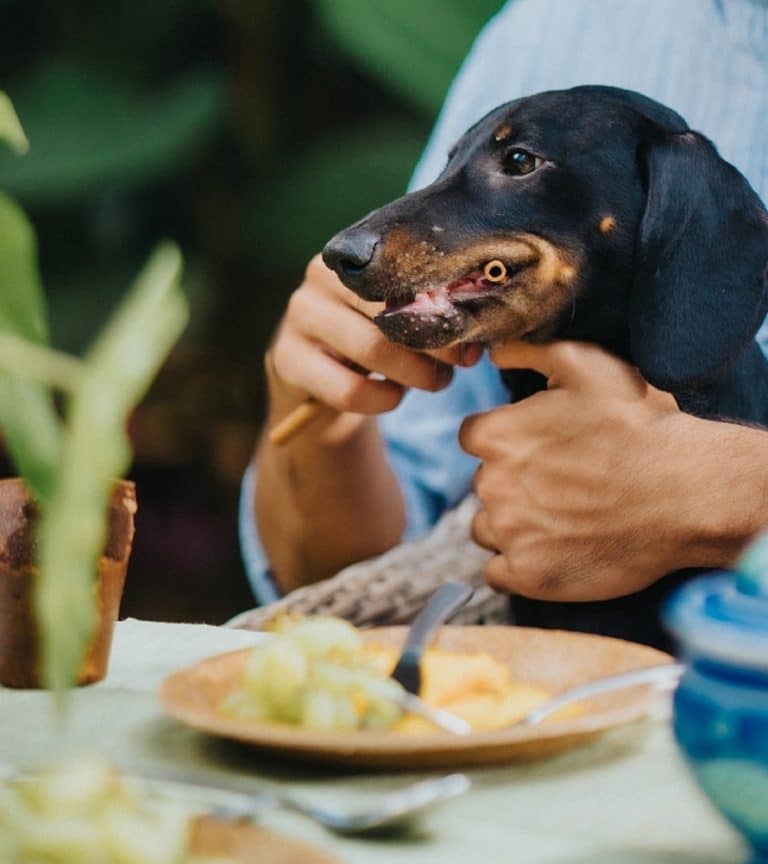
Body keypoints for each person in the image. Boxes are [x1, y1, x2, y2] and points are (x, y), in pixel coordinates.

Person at [242, 0, 768, 615]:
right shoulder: (552, 27)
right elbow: (355, 575)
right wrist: (325, 415)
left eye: (518, 164)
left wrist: (728, 492)